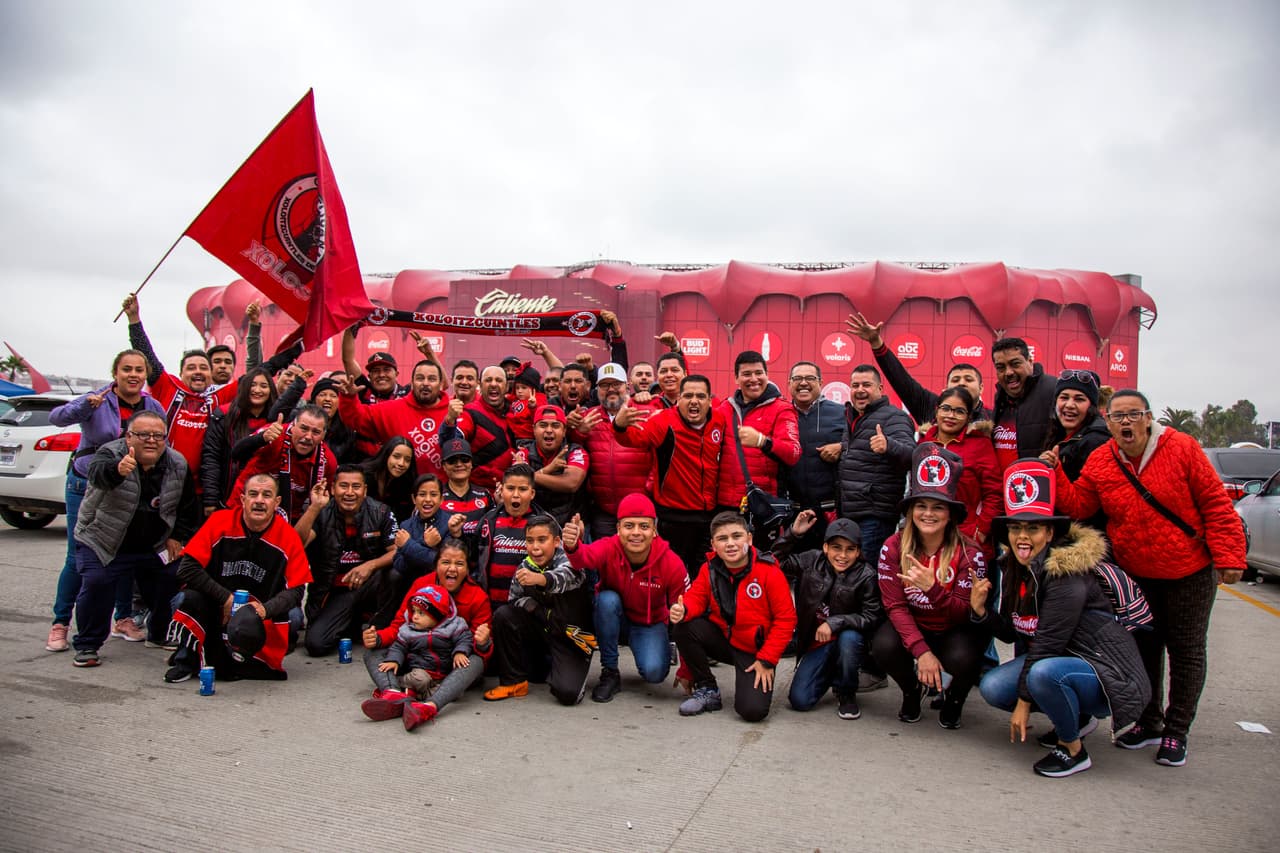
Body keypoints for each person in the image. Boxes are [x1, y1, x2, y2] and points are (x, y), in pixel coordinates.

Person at [1047, 389, 1247, 767]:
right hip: (1138, 572)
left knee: (1186, 650)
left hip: (1189, 571)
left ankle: (1176, 730)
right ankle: (1149, 721)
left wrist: (1230, 556)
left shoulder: (1182, 448)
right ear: (1107, 422)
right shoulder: (1103, 460)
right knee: (1146, 649)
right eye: (1118, 417)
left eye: (1133, 415)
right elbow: (1080, 505)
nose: (1126, 423)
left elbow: (1216, 505)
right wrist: (1054, 471)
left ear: (1149, 417)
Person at [975, 459, 1151, 778]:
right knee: (994, 686)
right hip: (1066, 663)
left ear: (1050, 532)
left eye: (1032, 528)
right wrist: (981, 611)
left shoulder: (1066, 575)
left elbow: (1046, 645)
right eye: (1015, 528)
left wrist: (1025, 703)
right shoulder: (1016, 568)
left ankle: (1072, 749)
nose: (1022, 537)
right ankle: (1078, 719)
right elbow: (1014, 635)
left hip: (1108, 672)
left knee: (1042, 673)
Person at [46, 349, 166, 651]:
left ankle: (122, 617)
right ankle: (60, 622)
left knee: (122, 554)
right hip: (86, 484)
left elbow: (160, 443)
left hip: (127, 490)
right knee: (79, 556)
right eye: (127, 369)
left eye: (139, 370)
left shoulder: (152, 406)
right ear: (116, 372)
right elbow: (57, 417)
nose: (134, 375)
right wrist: (84, 406)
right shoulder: (97, 400)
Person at [872, 443, 989, 728]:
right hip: (915, 624)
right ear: (910, 511)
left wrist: (932, 589)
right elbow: (895, 606)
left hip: (952, 629)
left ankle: (955, 699)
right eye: (921, 506)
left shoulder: (970, 553)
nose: (928, 514)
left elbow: (964, 613)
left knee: (968, 656)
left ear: (950, 514)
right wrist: (922, 652)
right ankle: (913, 690)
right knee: (881, 645)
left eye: (938, 507)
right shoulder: (893, 546)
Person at [123, 293, 301, 481]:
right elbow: (147, 356)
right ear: (181, 373)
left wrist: (300, 346)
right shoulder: (168, 387)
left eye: (203, 368)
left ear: (211, 374)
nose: (198, 372)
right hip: (160, 477)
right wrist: (134, 319)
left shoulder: (219, 396)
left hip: (200, 483)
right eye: (191, 368)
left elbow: (263, 370)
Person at [70, 412, 200, 667]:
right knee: (96, 582)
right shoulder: (110, 454)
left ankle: (160, 632)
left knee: (176, 574)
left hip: (152, 544)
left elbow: (187, 506)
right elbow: (98, 474)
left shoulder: (177, 463)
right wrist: (118, 471)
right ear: (128, 436)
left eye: (158, 436)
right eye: (143, 435)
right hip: (103, 540)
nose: (151, 441)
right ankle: (88, 644)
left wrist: (177, 536)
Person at [164, 473, 312, 683]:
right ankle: (186, 659)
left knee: (294, 618)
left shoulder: (288, 537)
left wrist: (263, 610)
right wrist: (226, 598)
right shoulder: (219, 521)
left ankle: (234, 656)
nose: (259, 500)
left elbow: (297, 590)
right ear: (243, 499)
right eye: (253, 494)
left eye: (267, 495)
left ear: (276, 502)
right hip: (215, 604)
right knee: (184, 599)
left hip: (257, 611)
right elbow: (187, 568)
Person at [669, 511, 797, 722]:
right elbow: (696, 599)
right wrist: (683, 610)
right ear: (713, 545)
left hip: (755, 651)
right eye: (722, 538)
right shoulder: (708, 568)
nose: (730, 544)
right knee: (684, 626)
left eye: (736, 536)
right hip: (724, 640)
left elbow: (786, 620)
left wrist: (767, 660)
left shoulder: (769, 571)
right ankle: (707, 689)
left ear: (749, 538)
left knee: (752, 711)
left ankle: (756, 674)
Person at [561, 495, 690, 702]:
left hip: (649, 624)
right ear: (618, 528)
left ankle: (662, 647)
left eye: (644, 526)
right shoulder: (609, 546)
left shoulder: (671, 563)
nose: (636, 533)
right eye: (629, 526)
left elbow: (686, 615)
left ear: (655, 530)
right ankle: (610, 671)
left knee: (654, 674)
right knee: (606, 600)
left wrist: (687, 669)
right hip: (614, 616)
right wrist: (572, 545)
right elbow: (582, 559)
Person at [361, 537, 493, 725]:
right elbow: (400, 626)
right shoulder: (421, 585)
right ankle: (392, 693)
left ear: (467, 569)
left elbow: (482, 650)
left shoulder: (477, 596)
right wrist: (377, 638)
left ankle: (430, 705)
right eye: (446, 562)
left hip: (450, 665)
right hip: (415, 658)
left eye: (459, 564)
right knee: (373, 652)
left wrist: (482, 642)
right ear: (436, 565)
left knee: (476, 662)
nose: (452, 569)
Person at [613, 375, 726, 579]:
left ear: (710, 400)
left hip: (707, 517)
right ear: (678, 399)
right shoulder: (663, 421)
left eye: (701, 396)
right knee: (673, 577)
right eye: (688, 395)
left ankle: (696, 612)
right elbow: (633, 438)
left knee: (703, 577)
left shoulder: (719, 420)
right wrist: (619, 426)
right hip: (672, 517)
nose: (694, 401)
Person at [774, 514, 883, 719]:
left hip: (847, 640)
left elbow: (871, 616)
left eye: (850, 549)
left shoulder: (866, 575)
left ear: (858, 551)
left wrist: (834, 623)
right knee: (800, 701)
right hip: (818, 643)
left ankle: (846, 692)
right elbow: (773, 562)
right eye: (836, 547)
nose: (842, 555)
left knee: (849, 639)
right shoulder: (811, 560)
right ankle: (831, 672)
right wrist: (793, 534)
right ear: (825, 547)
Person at [484, 515, 597, 705]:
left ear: (556, 541)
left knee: (568, 694)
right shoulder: (525, 566)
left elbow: (567, 577)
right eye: (530, 541)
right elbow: (514, 600)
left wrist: (540, 580)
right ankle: (514, 682)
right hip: (543, 628)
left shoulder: (570, 559)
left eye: (542, 540)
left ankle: (573, 665)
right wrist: (533, 607)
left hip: (573, 636)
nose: (535, 547)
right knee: (503, 615)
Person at [295, 466, 400, 656]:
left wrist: (371, 565)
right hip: (334, 591)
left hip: (369, 586)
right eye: (343, 486)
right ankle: (351, 622)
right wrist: (314, 508)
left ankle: (381, 629)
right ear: (333, 489)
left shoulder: (381, 512)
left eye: (356, 487)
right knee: (316, 645)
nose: (350, 492)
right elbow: (297, 544)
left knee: (395, 574)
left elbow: (397, 552)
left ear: (365, 490)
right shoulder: (321, 510)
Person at [716, 350, 802, 546]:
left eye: (758, 373)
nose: (753, 379)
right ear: (736, 378)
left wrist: (763, 441)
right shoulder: (724, 409)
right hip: (725, 506)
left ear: (767, 375)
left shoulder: (782, 408)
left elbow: (793, 453)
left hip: (761, 508)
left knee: (760, 565)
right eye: (746, 374)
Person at [365, 583, 475, 731]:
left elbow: (465, 638)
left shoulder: (454, 626)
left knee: (454, 693)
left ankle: (408, 698)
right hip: (419, 672)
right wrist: (393, 660)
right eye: (414, 611)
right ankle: (397, 686)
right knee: (420, 678)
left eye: (421, 613)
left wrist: (460, 652)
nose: (415, 616)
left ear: (437, 615)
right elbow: (399, 646)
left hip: (441, 675)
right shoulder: (408, 630)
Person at [846, 312, 990, 423]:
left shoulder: (993, 419)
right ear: (946, 388)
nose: (961, 383)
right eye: (956, 379)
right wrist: (877, 343)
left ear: (981, 387)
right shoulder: (930, 406)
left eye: (969, 379)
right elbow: (901, 380)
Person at [836, 364, 916, 561]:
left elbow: (913, 455)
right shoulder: (855, 417)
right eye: (855, 385)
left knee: (868, 575)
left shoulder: (894, 417)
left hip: (875, 516)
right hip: (851, 512)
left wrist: (889, 445)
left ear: (880, 389)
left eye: (867, 385)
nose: (860, 390)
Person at [568, 363, 655, 540]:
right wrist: (578, 432)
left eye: (616, 384)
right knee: (606, 563)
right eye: (605, 385)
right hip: (604, 512)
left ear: (627, 386)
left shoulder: (646, 413)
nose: (611, 389)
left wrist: (649, 488)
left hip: (640, 509)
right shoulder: (589, 416)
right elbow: (574, 452)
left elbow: (660, 455)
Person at [201, 366, 301, 512]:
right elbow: (211, 457)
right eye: (252, 385)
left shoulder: (280, 420)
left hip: (264, 498)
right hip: (227, 494)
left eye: (263, 386)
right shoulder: (224, 415)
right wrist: (210, 499)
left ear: (271, 390)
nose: (257, 390)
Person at [921, 386, 1002, 556]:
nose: (951, 416)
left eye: (959, 411)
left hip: (967, 538)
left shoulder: (980, 445)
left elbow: (995, 493)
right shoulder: (924, 443)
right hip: (928, 536)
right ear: (936, 410)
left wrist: (980, 531)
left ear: (968, 417)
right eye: (946, 409)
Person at [448, 463, 542, 610]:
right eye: (510, 488)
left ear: (532, 493)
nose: (515, 494)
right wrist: (458, 535)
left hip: (528, 611)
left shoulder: (545, 524)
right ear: (501, 490)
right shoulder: (488, 521)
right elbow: (471, 560)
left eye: (522, 489)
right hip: (489, 607)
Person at [336, 361, 452, 479]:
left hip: (444, 492)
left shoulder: (455, 412)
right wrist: (348, 398)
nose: (425, 383)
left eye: (432, 379)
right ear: (411, 383)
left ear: (441, 384)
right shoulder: (392, 409)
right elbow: (356, 418)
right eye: (420, 378)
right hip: (401, 492)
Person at [228, 405, 337, 524]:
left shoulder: (327, 462)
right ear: (293, 426)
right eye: (304, 429)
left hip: (287, 519)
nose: (308, 437)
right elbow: (236, 453)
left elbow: (321, 501)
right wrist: (261, 438)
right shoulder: (274, 433)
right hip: (242, 508)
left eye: (316, 432)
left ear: (324, 435)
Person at [781, 360, 844, 551]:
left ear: (821, 382)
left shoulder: (841, 413)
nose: (803, 383)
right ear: (789, 383)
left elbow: (860, 444)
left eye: (810, 378)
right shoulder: (780, 412)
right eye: (797, 378)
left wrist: (842, 446)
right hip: (791, 512)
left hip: (830, 512)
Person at [440, 365, 517, 491]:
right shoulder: (470, 413)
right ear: (480, 386)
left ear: (506, 386)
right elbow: (450, 443)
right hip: (480, 494)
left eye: (498, 380)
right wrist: (450, 421)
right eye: (488, 380)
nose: (493, 384)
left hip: (514, 493)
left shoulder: (517, 412)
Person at [990, 337, 1057, 473]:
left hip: (1039, 485)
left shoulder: (1053, 389)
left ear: (1030, 362)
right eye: (1000, 367)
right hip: (1006, 488)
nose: (1008, 372)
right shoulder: (1000, 397)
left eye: (1015, 364)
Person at [515, 404, 589, 527]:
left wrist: (528, 475)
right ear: (534, 429)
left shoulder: (576, 451)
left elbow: (571, 483)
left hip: (570, 526)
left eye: (555, 426)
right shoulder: (523, 453)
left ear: (564, 431)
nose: (549, 430)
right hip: (532, 526)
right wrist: (548, 469)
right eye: (543, 425)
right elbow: (517, 485)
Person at [391, 473, 452, 586]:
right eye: (422, 494)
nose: (428, 499)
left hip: (439, 585)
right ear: (414, 499)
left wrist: (407, 545)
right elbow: (399, 565)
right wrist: (425, 543)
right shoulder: (406, 525)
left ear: (441, 499)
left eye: (433, 494)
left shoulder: (449, 523)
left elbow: (439, 563)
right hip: (411, 583)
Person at [437, 438, 493, 523]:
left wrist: (501, 504)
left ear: (471, 463)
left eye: (464, 459)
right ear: (444, 466)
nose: (459, 464)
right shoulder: (435, 496)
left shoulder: (485, 494)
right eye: (452, 461)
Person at [362, 436, 416, 523]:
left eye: (407, 460)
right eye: (396, 456)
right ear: (386, 455)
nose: (401, 463)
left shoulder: (405, 484)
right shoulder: (364, 477)